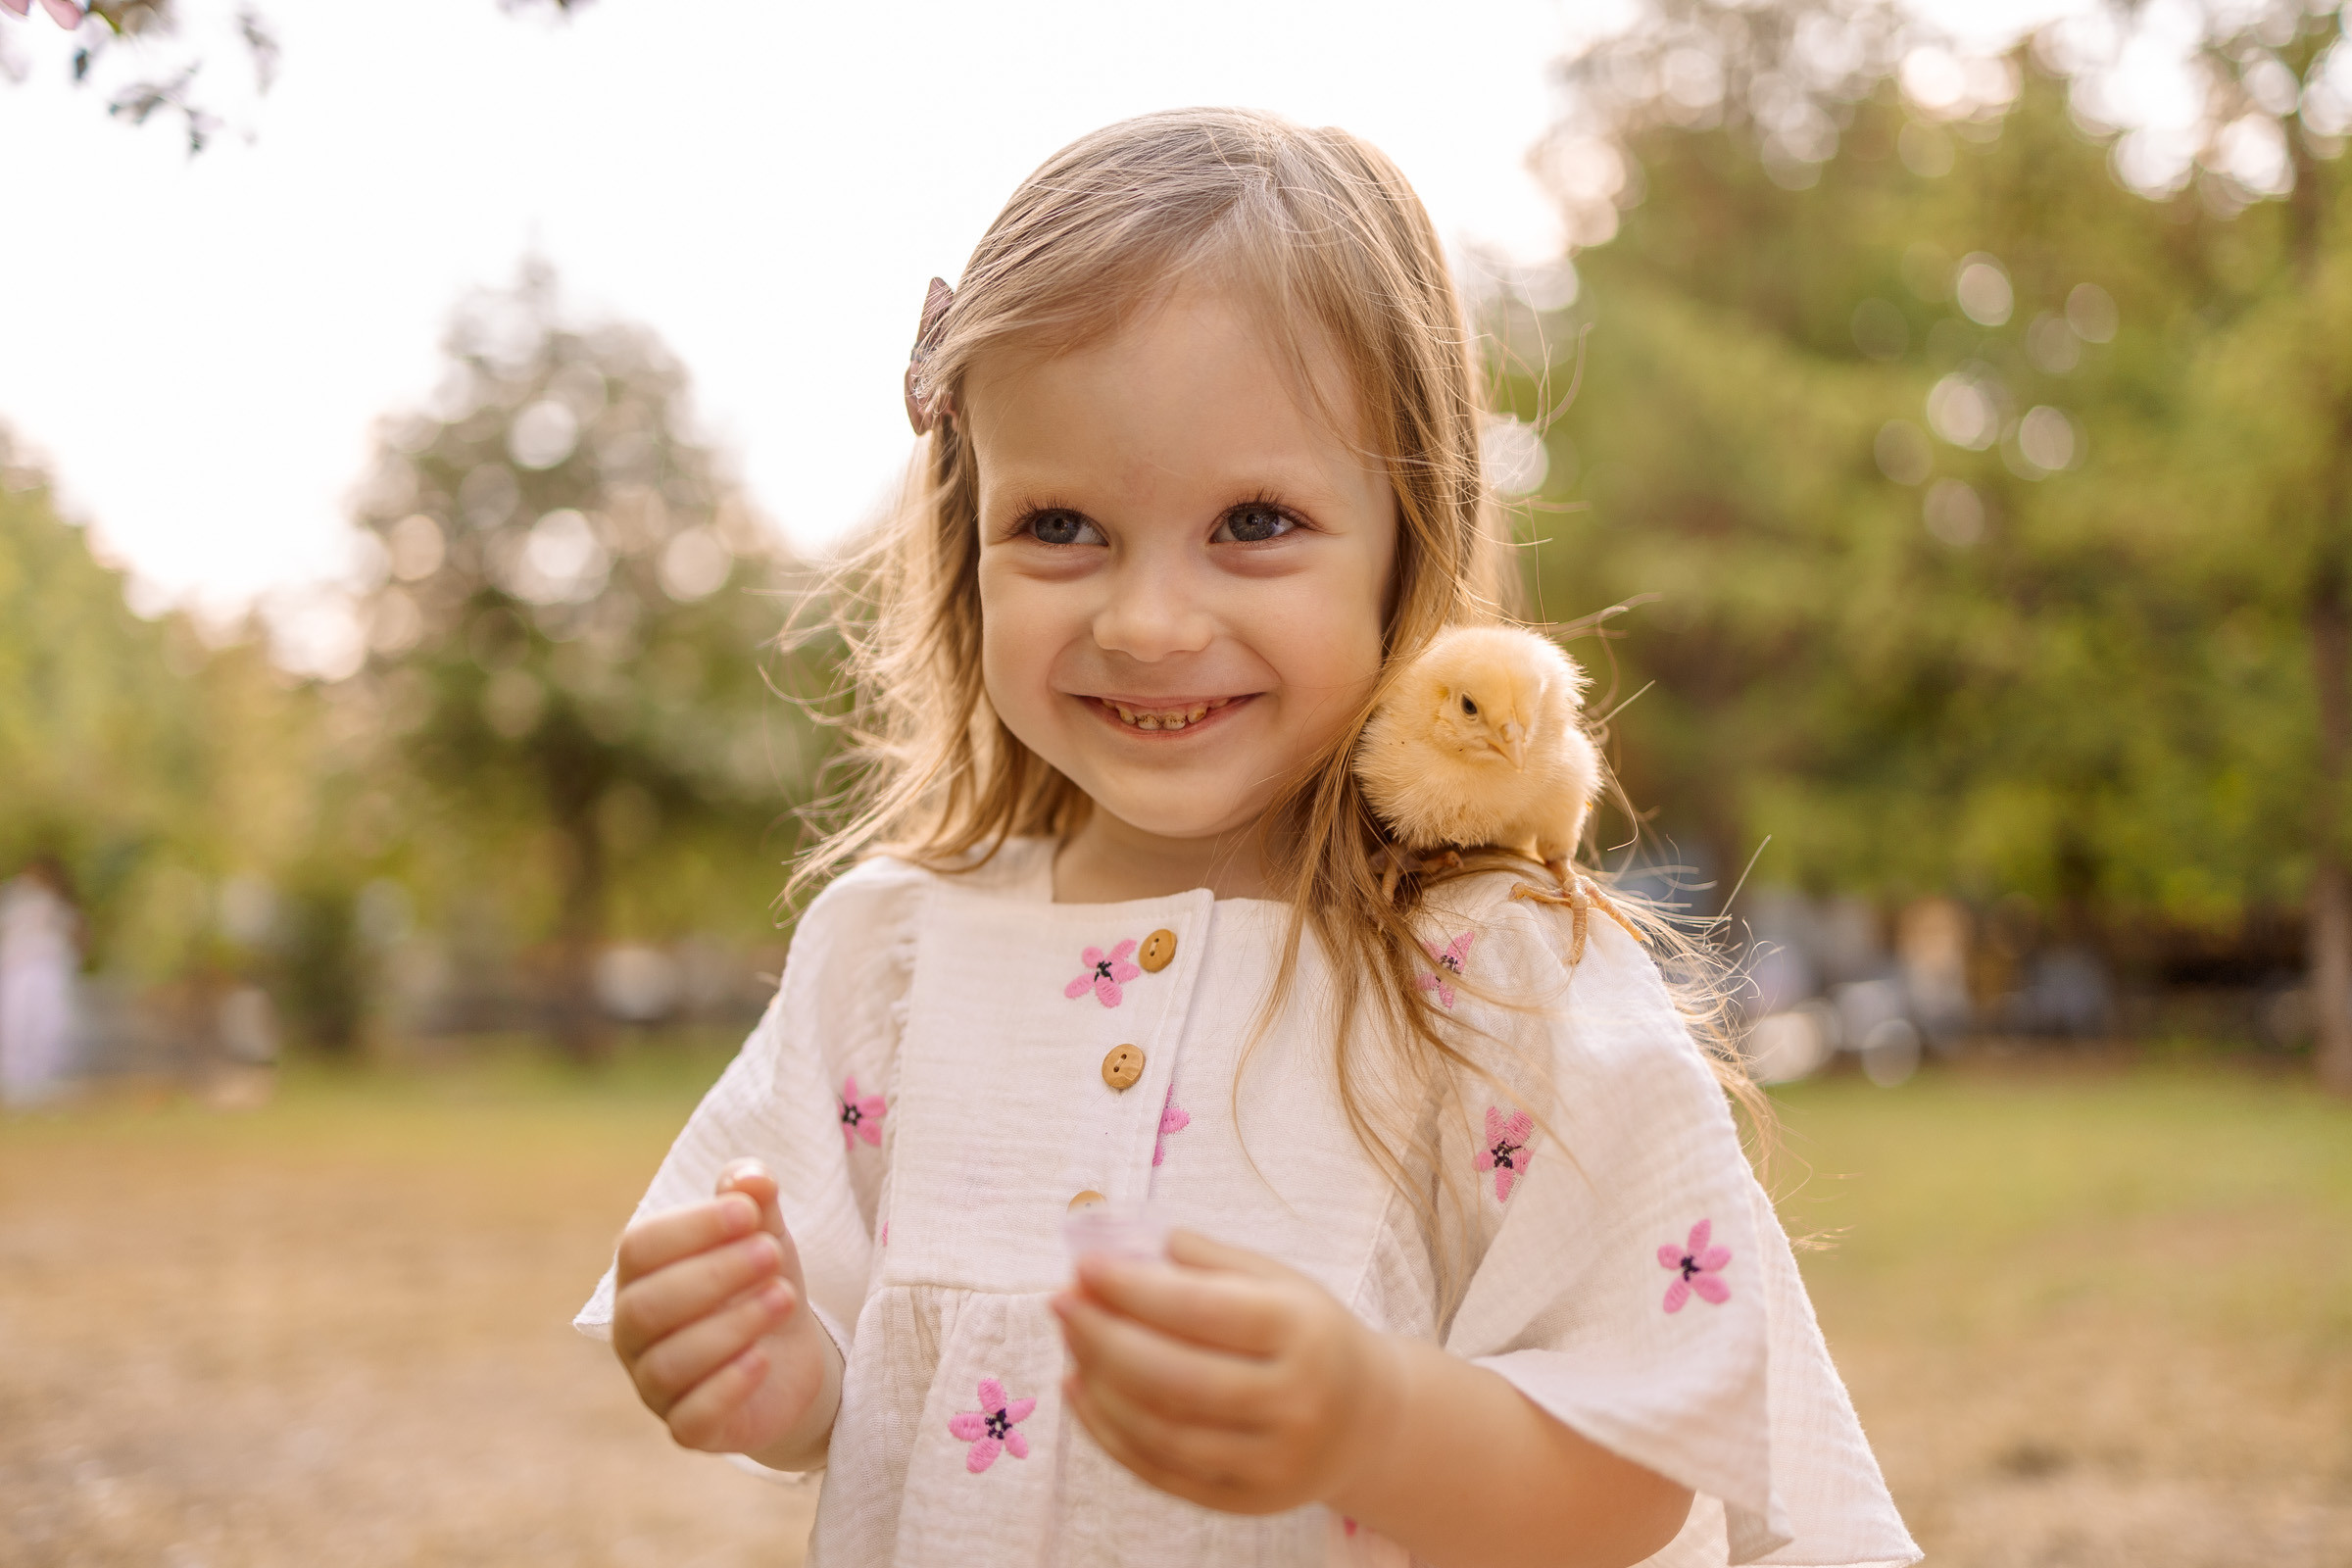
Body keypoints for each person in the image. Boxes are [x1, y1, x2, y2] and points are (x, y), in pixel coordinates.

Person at [576, 109, 1917, 1568]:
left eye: (1256, 521)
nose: (1148, 622)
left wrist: (1374, 1426)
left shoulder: (1495, 978)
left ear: (1410, 533)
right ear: (969, 533)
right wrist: (775, 1379)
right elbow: (855, 1400)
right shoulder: (891, 957)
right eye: (1063, 526)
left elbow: (1644, 1470)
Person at [0, 856, 82, 1106]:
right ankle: (15, 1083)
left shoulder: (59, 901)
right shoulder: (13, 897)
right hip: (18, 968)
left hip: (49, 967)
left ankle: (44, 1081)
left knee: (48, 1024)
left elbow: (77, 932)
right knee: (16, 1024)